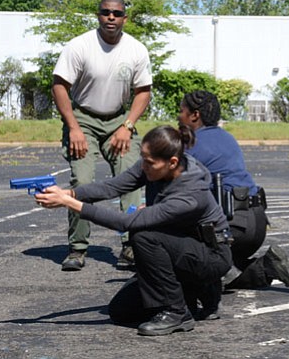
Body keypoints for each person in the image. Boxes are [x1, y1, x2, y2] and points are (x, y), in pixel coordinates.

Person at [35, 125, 232, 335]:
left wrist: (68, 203)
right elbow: (112, 187)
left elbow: (126, 223)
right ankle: (193, 293)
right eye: (143, 159)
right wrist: (70, 193)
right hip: (183, 250)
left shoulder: (192, 193)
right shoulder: (156, 164)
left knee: (143, 235)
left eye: (149, 163)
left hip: (211, 255)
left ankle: (177, 312)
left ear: (172, 162)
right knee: (121, 311)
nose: (143, 167)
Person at [51, 0, 152, 272]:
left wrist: (127, 126)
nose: (111, 17)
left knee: (132, 176)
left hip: (119, 119)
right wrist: (73, 127)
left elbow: (143, 91)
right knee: (82, 180)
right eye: (105, 12)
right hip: (83, 118)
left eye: (116, 13)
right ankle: (77, 248)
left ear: (124, 18)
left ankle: (132, 244)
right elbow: (59, 86)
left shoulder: (136, 50)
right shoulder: (79, 46)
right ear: (98, 15)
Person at [178, 90, 289, 293]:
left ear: (194, 115)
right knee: (224, 267)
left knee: (187, 268)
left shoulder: (190, 145)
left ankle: (219, 272)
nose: (178, 116)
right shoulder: (228, 138)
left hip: (230, 227)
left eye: (181, 111)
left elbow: (177, 194)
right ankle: (266, 267)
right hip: (257, 223)